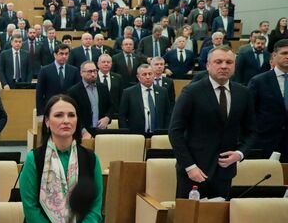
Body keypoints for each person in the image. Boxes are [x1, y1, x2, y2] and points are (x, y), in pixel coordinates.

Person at [19, 94, 103, 223]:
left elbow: (95, 208)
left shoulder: (90, 159)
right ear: (47, 122)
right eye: (58, 115)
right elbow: (31, 209)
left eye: (71, 115)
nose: (66, 120)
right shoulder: (35, 158)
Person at [168, 46, 256, 199]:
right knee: (189, 220)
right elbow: (175, 132)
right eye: (218, 61)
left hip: (224, 172)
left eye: (229, 62)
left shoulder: (243, 93)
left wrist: (240, 154)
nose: (224, 66)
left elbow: (252, 131)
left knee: (218, 220)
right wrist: (190, 166)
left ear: (234, 66)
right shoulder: (191, 92)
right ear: (208, 65)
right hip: (194, 171)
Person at [248, 39, 288, 161]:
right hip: (266, 141)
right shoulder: (259, 81)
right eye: (284, 53)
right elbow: (249, 112)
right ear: (274, 56)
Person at [118, 64, 172, 134]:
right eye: (144, 74)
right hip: (136, 135)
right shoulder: (128, 92)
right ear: (138, 77)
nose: (148, 77)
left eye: (150, 74)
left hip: (158, 134)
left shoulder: (163, 91)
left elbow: (167, 114)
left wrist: (165, 131)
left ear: (154, 75)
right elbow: (122, 116)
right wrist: (126, 133)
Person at [66, 61, 112, 137]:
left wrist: (107, 118)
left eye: (95, 71)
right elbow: (72, 114)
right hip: (82, 133)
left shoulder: (103, 88)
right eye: (90, 72)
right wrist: (82, 130)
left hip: (101, 131)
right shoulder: (73, 91)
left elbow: (111, 106)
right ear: (81, 73)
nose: (93, 74)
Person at [36, 44, 81, 114]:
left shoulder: (74, 70)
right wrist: (41, 113)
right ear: (55, 55)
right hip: (50, 108)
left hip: (69, 108)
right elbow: (39, 94)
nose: (64, 56)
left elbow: (78, 92)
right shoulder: (44, 70)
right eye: (61, 53)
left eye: (66, 54)